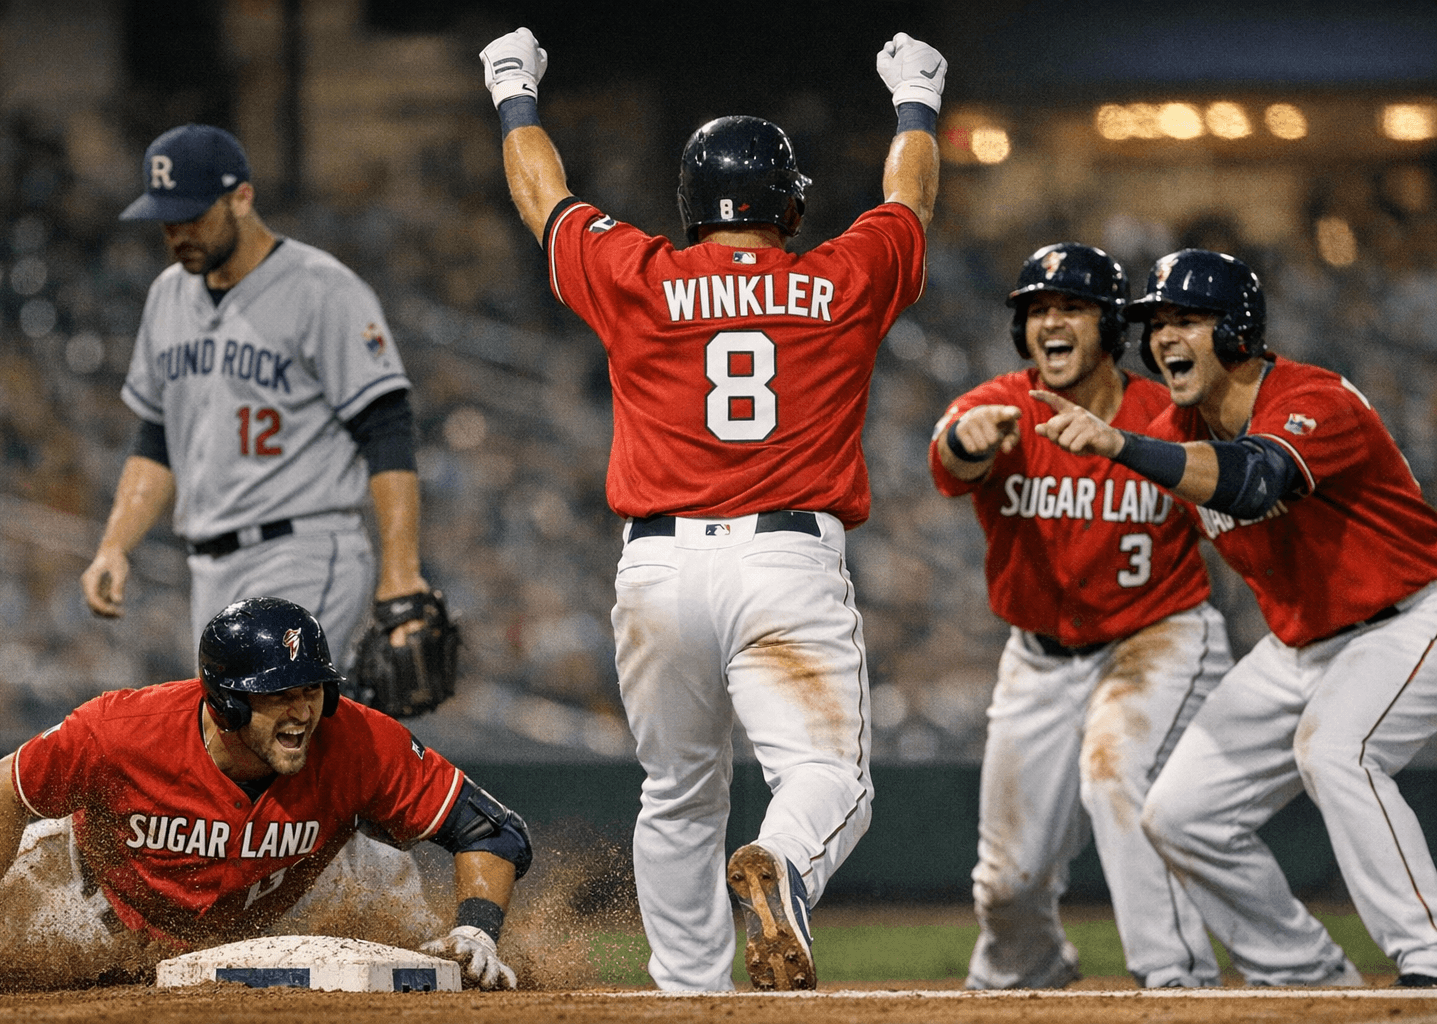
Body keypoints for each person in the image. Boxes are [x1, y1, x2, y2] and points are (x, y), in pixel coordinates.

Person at [477, 26, 942, 991]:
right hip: (785, 565)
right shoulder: (837, 280)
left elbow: (542, 198)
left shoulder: (643, 275)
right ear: (791, 204)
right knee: (828, 781)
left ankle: (690, 993)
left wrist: (513, 89)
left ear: (690, 207)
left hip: (658, 571)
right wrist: (916, 101)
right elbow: (911, 200)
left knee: (679, 793)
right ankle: (784, 867)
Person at [1033, 246, 1437, 986]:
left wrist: (1122, 444)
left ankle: (1431, 958)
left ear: (1238, 329)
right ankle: (1307, 974)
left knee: (1337, 751)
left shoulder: (1316, 399)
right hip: (1301, 645)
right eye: (1156, 324)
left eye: (1188, 319)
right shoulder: (1177, 420)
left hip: (1411, 616)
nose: (1165, 338)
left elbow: (1255, 482)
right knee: (1182, 814)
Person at [0, 598, 530, 994]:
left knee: (395, 896)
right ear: (225, 699)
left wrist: (478, 931)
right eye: (277, 693)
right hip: (74, 898)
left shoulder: (357, 740)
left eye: (311, 689)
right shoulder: (122, 729)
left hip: (241, 931)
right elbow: (0, 789)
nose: (302, 710)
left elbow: (492, 830)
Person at [929, 243, 1233, 989]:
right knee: (1007, 884)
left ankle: (1177, 980)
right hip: (1038, 658)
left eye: (1070, 308)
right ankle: (1026, 972)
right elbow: (948, 458)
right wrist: (969, 445)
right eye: (1037, 310)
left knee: (1117, 774)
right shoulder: (999, 406)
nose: (1050, 322)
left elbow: (1233, 514)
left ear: (1107, 327)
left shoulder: (1166, 415)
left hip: (1154, 638)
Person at [80, 122, 436, 675]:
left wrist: (401, 569)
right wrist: (114, 546)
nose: (177, 234)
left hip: (304, 546)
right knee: (237, 745)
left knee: (260, 722)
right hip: (207, 566)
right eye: (166, 221)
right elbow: (155, 440)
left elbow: (386, 428)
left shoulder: (323, 288)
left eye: (193, 216)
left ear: (242, 198)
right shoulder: (167, 296)